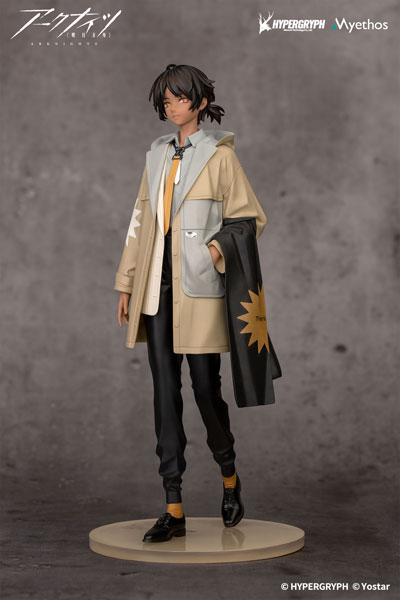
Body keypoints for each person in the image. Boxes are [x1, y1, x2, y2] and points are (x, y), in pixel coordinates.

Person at [114, 64, 269, 542]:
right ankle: (173, 507)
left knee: (204, 389)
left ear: (200, 102)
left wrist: (214, 250)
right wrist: (126, 282)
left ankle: (229, 477)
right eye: (165, 98)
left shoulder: (220, 158)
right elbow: (140, 221)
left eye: (179, 97)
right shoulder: (156, 156)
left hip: (199, 290)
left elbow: (249, 219)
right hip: (156, 290)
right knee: (165, 394)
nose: (171, 105)